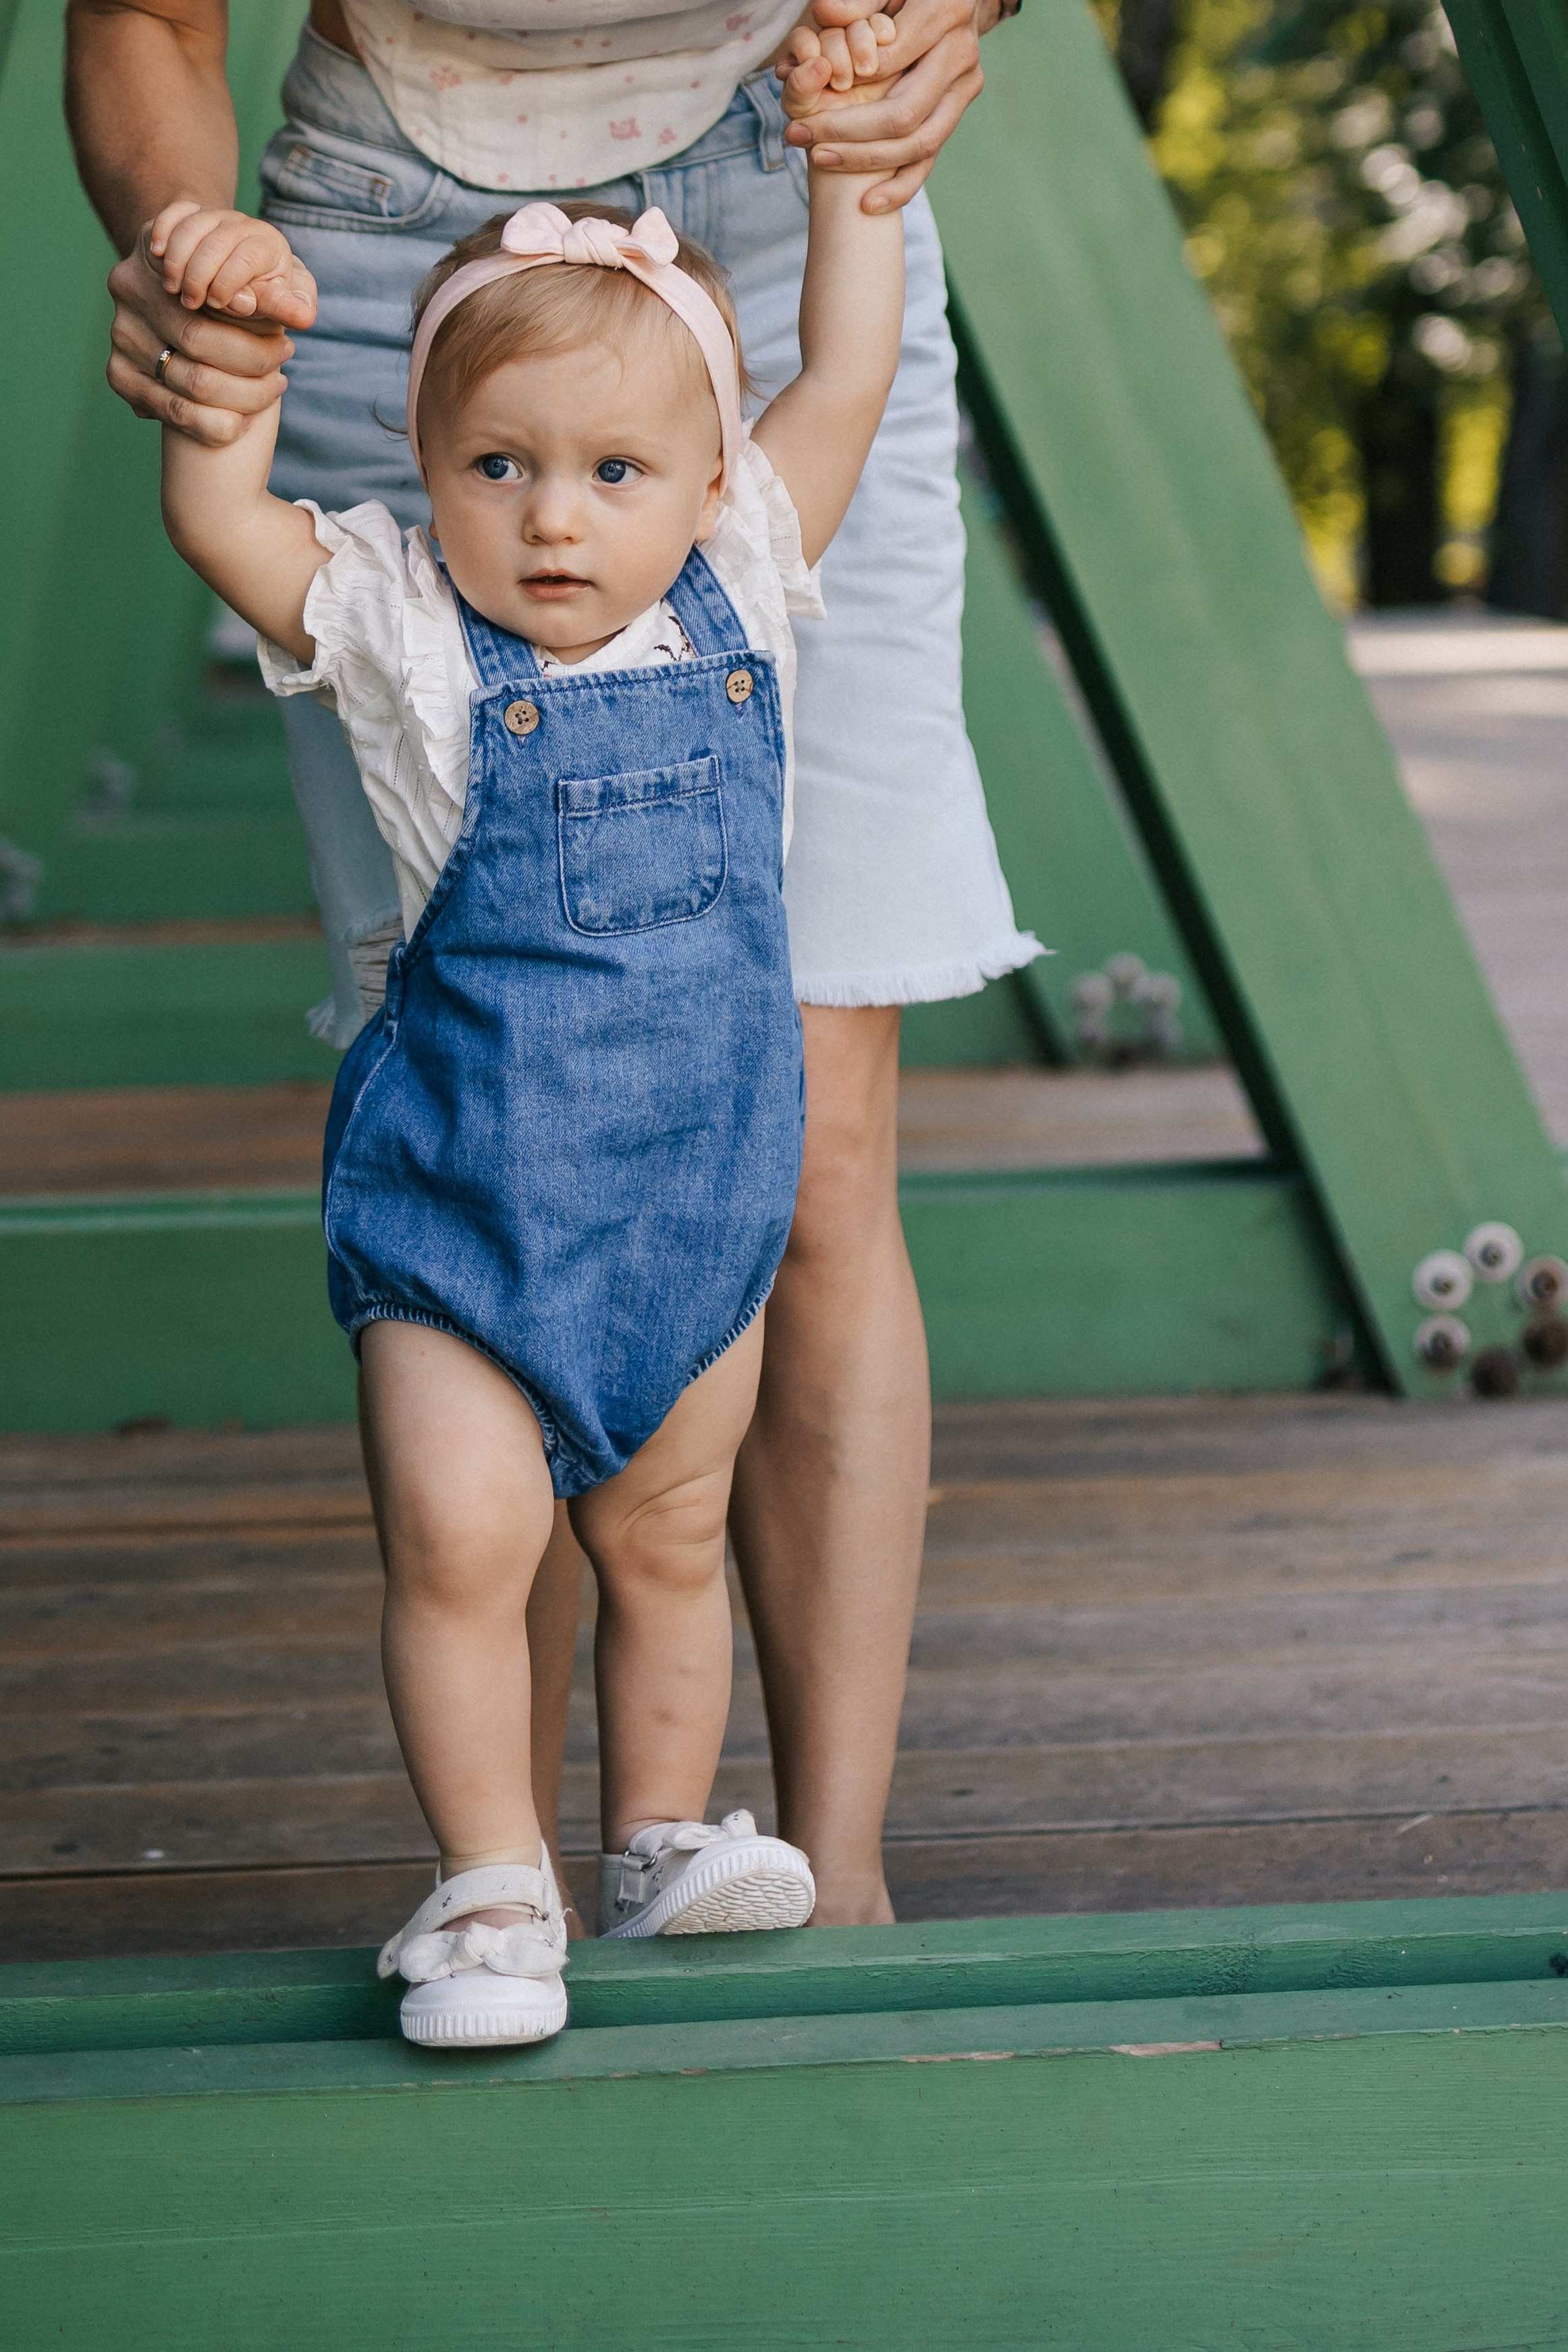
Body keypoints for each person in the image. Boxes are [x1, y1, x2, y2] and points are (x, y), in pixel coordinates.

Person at [67, 0, 1037, 1931]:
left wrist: (920, 55)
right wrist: (205, 278)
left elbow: (828, 390)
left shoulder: (749, 539)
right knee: (500, 1195)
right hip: (380, 223)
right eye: (508, 487)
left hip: (789, 169)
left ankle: (813, 1881)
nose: (562, 528)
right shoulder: (411, 604)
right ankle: (500, 1874)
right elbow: (142, 24)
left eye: (611, 499)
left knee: (819, 1150)